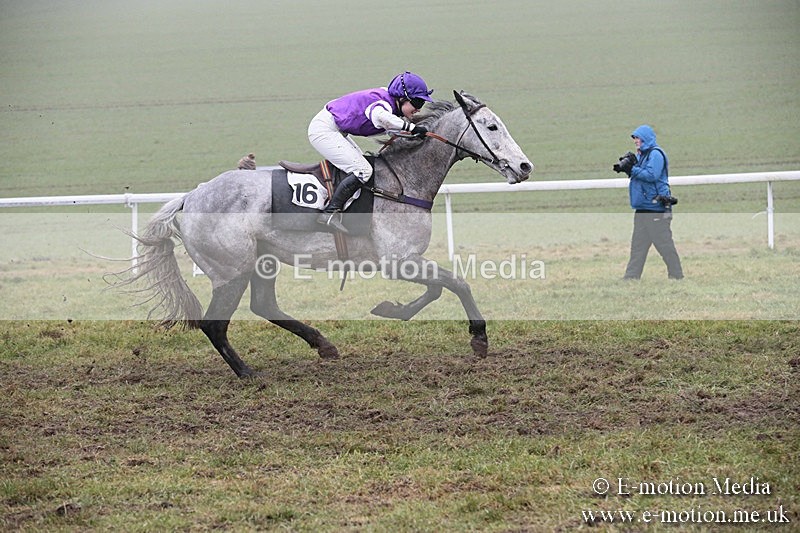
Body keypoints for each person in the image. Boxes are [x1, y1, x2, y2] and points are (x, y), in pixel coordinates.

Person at [308, 71, 434, 233]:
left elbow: (390, 128)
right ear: (402, 98)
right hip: (324, 130)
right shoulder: (384, 106)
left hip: (336, 130)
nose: (418, 109)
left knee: (362, 168)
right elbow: (382, 118)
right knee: (363, 171)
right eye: (417, 102)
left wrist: (411, 132)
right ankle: (329, 213)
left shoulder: (390, 102)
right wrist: (412, 128)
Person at [616, 124, 684, 280]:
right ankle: (631, 277)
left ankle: (677, 276)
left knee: (664, 245)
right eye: (634, 138)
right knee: (638, 246)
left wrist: (631, 169)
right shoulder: (641, 155)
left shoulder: (655, 154)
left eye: (637, 138)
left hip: (656, 208)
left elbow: (651, 175)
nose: (635, 141)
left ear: (645, 138)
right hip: (643, 208)